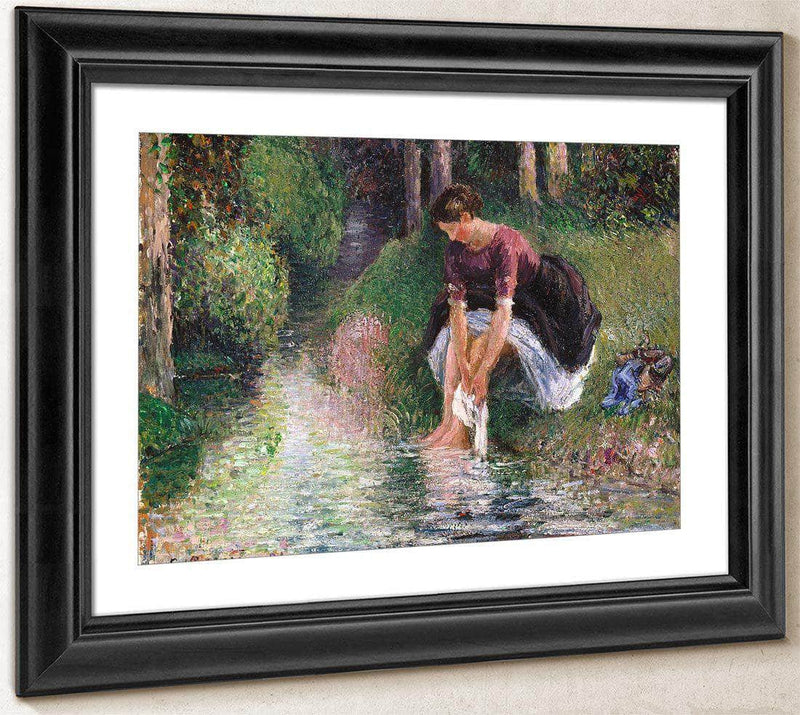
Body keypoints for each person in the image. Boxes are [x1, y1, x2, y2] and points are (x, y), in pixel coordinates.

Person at [421, 183, 601, 450]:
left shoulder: (505, 242)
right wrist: (465, 368)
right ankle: (450, 424)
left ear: (467, 217)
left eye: (452, 230)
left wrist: (480, 373)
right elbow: (457, 312)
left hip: (533, 307)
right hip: (483, 303)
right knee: (453, 345)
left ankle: (466, 431)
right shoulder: (455, 252)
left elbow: (504, 312)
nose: (451, 238)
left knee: (480, 345)